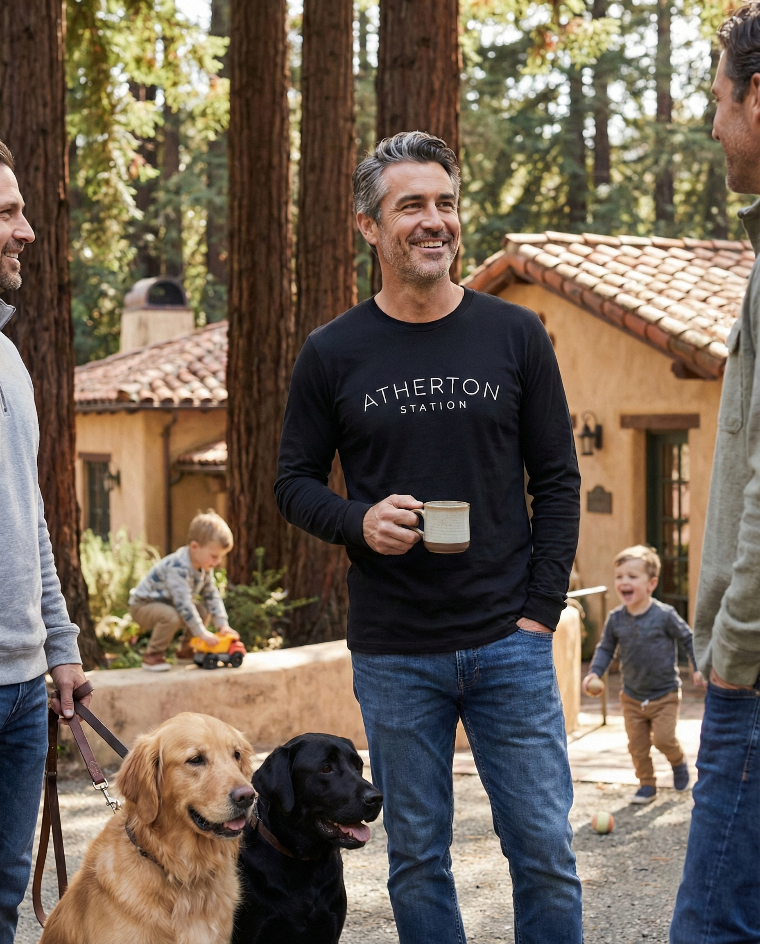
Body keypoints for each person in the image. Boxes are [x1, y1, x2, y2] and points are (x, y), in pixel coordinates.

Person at [275, 131, 582, 944]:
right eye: (411, 205)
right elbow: (293, 482)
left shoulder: (515, 334)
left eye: (445, 203)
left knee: (545, 852)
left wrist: (540, 612)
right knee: (416, 859)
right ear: (368, 227)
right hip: (395, 652)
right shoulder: (332, 352)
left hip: (510, 643)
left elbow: (557, 479)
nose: (434, 220)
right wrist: (358, 520)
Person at [671, 6, 760, 941]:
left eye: (718, 98)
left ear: (759, 97)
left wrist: (735, 647)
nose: (712, 122)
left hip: (758, 674)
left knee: (712, 927)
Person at [0, 139, 90, 944]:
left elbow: (30, 517)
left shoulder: (10, 359)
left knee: (3, 900)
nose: (26, 231)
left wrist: (59, 646)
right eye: (7, 213)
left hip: (27, 688)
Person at [583, 546, 702, 805]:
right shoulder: (616, 619)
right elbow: (605, 649)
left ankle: (678, 761)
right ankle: (647, 784)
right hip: (632, 696)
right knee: (637, 746)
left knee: (663, 739)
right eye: (619, 576)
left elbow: (688, 638)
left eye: (632, 576)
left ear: (652, 584)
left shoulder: (665, 615)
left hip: (665, 694)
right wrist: (594, 673)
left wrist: (698, 666)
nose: (624, 581)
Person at [129, 510, 239, 671]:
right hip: (142, 606)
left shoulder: (204, 567)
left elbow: (211, 595)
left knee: (202, 611)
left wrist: (222, 624)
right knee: (171, 616)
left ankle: (186, 650)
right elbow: (184, 604)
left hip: (169, 605)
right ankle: (152, 655)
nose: (218, 562)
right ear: (195, 547)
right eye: (214, 556)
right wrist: (201, 633)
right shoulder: (178, 567)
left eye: (221, 557)